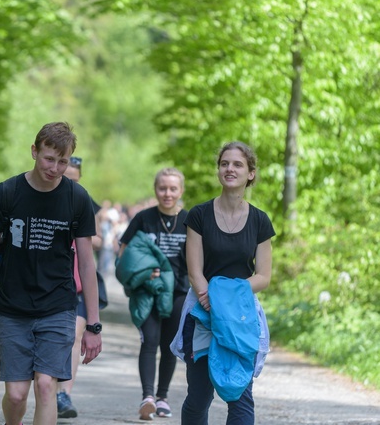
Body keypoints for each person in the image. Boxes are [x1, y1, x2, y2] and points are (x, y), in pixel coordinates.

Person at [0, 122, 103, 425]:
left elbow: (86, 264)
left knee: (45, 386)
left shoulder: (77, 198)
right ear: (34, 151)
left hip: (58, 305)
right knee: (15, 396)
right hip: (14, 305)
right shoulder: (6, 193)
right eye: (49, 159)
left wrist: (93, 324)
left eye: (63, 161)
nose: (55, 168)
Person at [173, 141, 275, 425]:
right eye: (225, 163)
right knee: (199, 397)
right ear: (219, 170)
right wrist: (211, 299)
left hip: (240, 317)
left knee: (240, 397)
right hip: (201, 312)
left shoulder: (260, 221)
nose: (230, 169)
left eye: (238, 164)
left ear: (251, 173)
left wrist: (227, 299)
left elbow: (263, 276)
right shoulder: (199, 215)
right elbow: (195, 272)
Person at [118, 168, 189, 420]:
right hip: (147, 292)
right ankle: (147, 397)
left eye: (172, 189)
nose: (167, 193)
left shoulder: (190, 220)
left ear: (181, 190)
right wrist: (141, 274)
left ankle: (163, 398)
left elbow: (198, 259)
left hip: (179, 292)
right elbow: (124, 253)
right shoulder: (143, 218)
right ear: (155, 189)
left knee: (169, 346)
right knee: (149, 340)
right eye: (162, 188)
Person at [56, 156, 103, 418]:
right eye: (66, 177)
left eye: (73, 179)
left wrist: (83, 237)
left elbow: (99, 240)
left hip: (79, 283)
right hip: (50, 283)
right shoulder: (45, 197)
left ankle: (64, 394)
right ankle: (47, 387)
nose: (68, 183)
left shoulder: (85, 201)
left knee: (74, 335)